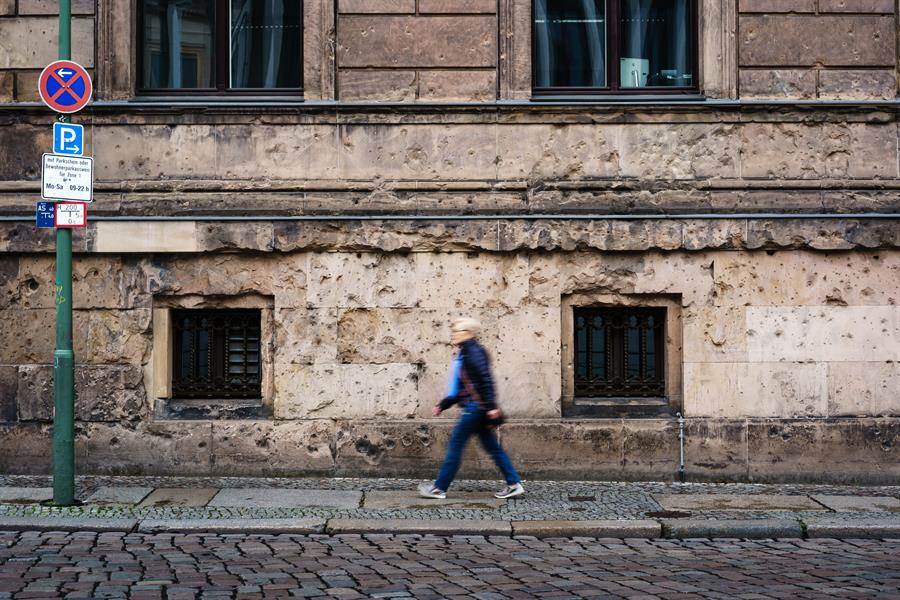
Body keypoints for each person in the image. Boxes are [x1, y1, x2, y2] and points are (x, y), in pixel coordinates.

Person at [418, 317, 524, 500]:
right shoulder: (467, 352)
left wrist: (491, 406)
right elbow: (464, 387)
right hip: (478, 408)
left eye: (456, 331)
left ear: (467, 333)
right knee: (492, 447)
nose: (453, 335)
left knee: (455, 445)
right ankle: (514, 484)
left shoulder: (473, 352)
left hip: (474, 408)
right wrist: (443, 405)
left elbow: (485, 379)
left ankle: (439, 488)